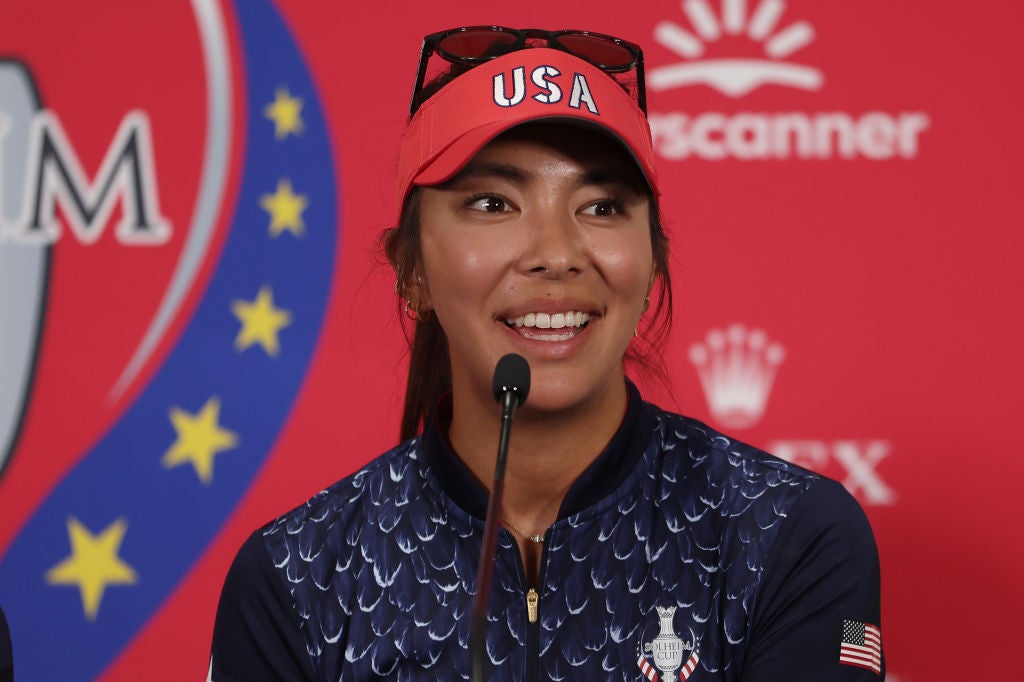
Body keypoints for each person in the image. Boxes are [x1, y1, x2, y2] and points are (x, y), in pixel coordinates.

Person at [210, 27, 885, 680]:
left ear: (652, 266)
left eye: (601, 207)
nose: (557, 254)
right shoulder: (296, 577)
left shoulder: (787, 537)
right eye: (493, 202)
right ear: (411, 270)